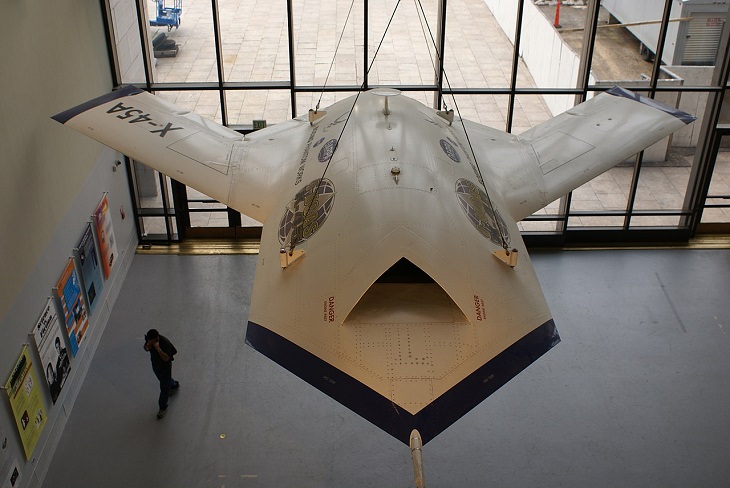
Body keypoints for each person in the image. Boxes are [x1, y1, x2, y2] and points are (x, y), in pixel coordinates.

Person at [143, 329, 179, 419]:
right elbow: (146, 348)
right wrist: (147, 346)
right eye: (149, 340)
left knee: (164, 388)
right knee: (164, 381)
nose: (150, 342)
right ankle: (173, 384)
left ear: (157, 338)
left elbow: (166, 358)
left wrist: (158, 349)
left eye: (152, 340)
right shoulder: (149, 341)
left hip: (165, 368)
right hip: (156, 366)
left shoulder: (164, 343)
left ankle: (162, 407)